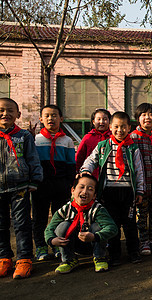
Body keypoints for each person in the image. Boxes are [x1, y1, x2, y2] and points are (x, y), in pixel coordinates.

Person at [80, 111, 145, 266]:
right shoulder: (103, 146)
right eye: (116, 127)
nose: (120, 130)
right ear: (110, 127)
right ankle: (115, 254)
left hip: (128, 191)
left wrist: (140, 190)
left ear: (129, 127)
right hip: (109, 192)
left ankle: (134, 252)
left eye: (123, 127)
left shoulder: (132, 148)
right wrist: (85, 170)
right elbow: (91, 160)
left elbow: (139, 170)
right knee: (112, 224)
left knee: (130, 224)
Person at [0, 98, 43, 279]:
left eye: (10, 110)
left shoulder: (24, 136)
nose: (5, 114)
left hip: (20, 187)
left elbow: (33, 159)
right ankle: (4, 258)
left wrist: (35, 180)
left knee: (22, 224)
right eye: (1, 110)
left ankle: (24, 258)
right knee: (1, 225)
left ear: (18, 115)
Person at [44, 174, 118, 274]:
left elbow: (112, 228)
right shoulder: (65, 209)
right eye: (81, 187)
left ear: (95, 195)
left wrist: (95, 236)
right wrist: (52, 240)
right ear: (73, 190)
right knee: (62, 226)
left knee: (97, 226)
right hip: (73, 245)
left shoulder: (98, 209)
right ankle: (69, 259)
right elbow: (50, 228)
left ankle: (100, 258)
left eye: (90, 189)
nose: (85, 191)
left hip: (92, 243)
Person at [33, 104, 76, 261]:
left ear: (61, 119)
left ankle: (58, 245)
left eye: (54, 115)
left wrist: (70, 184)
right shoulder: (35, 140)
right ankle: (41, 246)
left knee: (60, 217)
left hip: (61, 185)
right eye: (47, 116)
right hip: (41, 185)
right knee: (40, 217)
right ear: (41, 119)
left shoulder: (67, 141)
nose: (51, 118)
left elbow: (71, 164)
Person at [130, 103, 152, 255]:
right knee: (141, 216)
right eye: (144, 115)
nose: (147, 118)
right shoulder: (132, 138)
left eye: (150, 114)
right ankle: (143, 241)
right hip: (141, 187)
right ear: (138, 118)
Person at [75, 109, 111, 178]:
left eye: (105, 119)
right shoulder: (88, 138)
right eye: (99, 119)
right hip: (90, 176)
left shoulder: (113, 138)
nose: (102, 122)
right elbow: (79, 157)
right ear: (93, 122)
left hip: (109, 177)